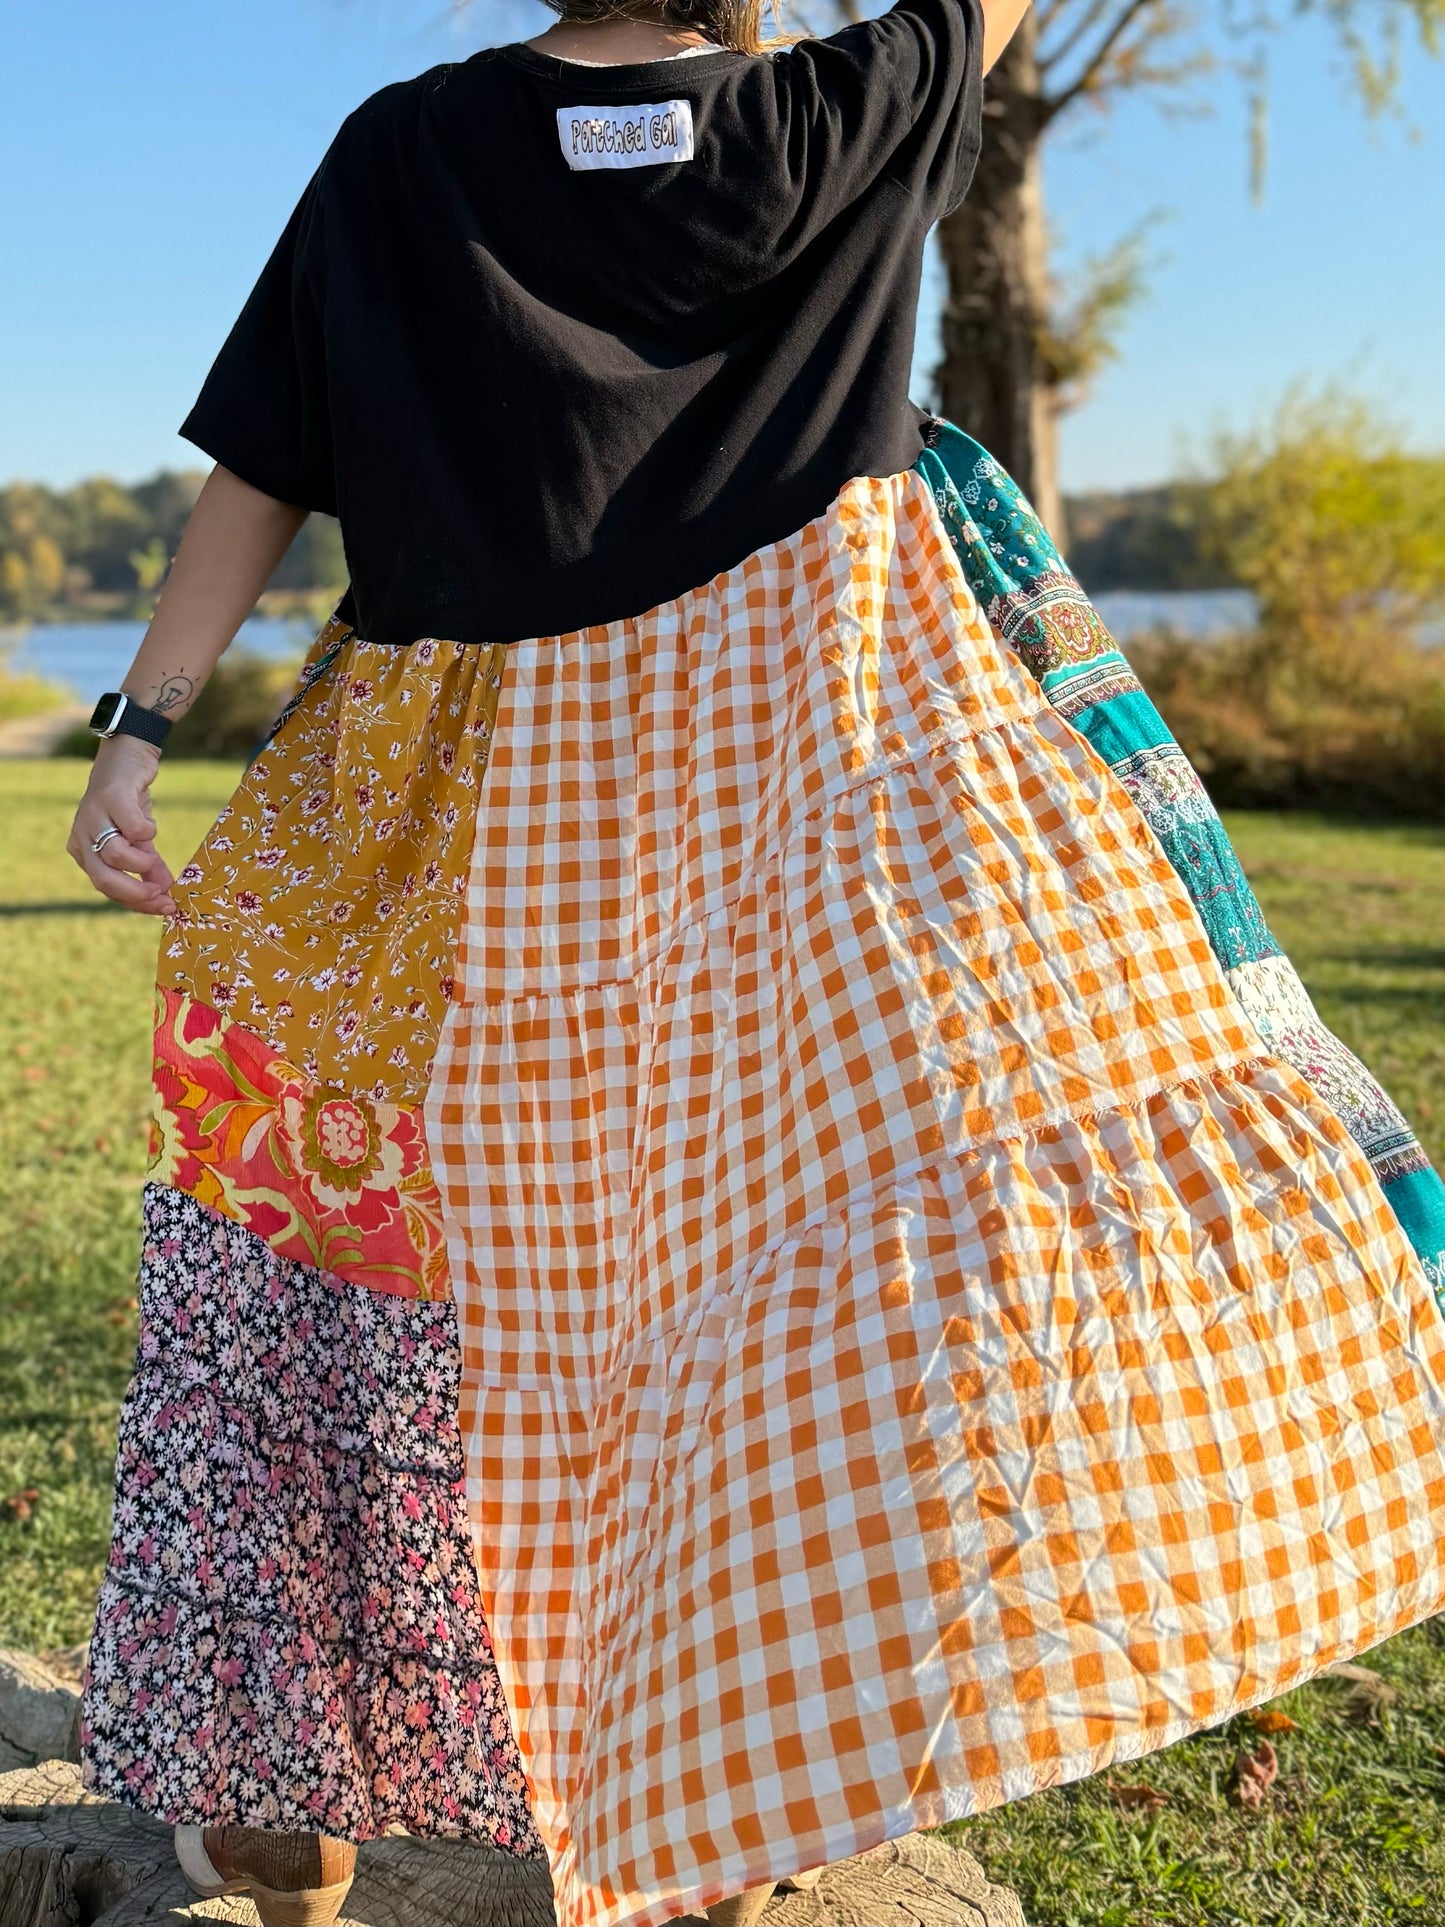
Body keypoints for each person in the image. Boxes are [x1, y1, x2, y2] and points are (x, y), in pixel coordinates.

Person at [68, 0, 1445, 1923]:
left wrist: (140, 726)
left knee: (324, 1253)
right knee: (751, 1289)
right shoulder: (842, 109)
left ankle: (283, 1778)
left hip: (442, 817)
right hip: (789, 801)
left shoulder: (402, 148)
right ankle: (713, 1795)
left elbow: (261, 467)